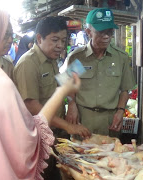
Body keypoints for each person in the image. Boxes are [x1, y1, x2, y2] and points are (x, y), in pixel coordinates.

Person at [0, 1, 81, 179]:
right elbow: (28, 141)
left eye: (63, 40)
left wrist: (70, 98)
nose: (7, 40)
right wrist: (63, 94)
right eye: (1, 32)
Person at [13, 16, 91, 180]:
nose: (60, 46)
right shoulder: (28, 64)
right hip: (37, 139)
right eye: (55, 40)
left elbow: (56, 85)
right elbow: (32, 106)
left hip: (54, 135)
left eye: (63, 40)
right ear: (39, 38)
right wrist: (68, 126)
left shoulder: (51, 60)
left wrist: (72, 102)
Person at [62, 8, 135, 136]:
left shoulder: (120, 57)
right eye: (101, 32)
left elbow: (125, 89)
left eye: (110, 32)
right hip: (82, 119)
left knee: (109, 155)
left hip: (110, 121)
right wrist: (71, 104)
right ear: (88, 32)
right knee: (80, 154)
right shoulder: (78, 57)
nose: (106, 37)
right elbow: (67, 85)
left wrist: (120, 111)